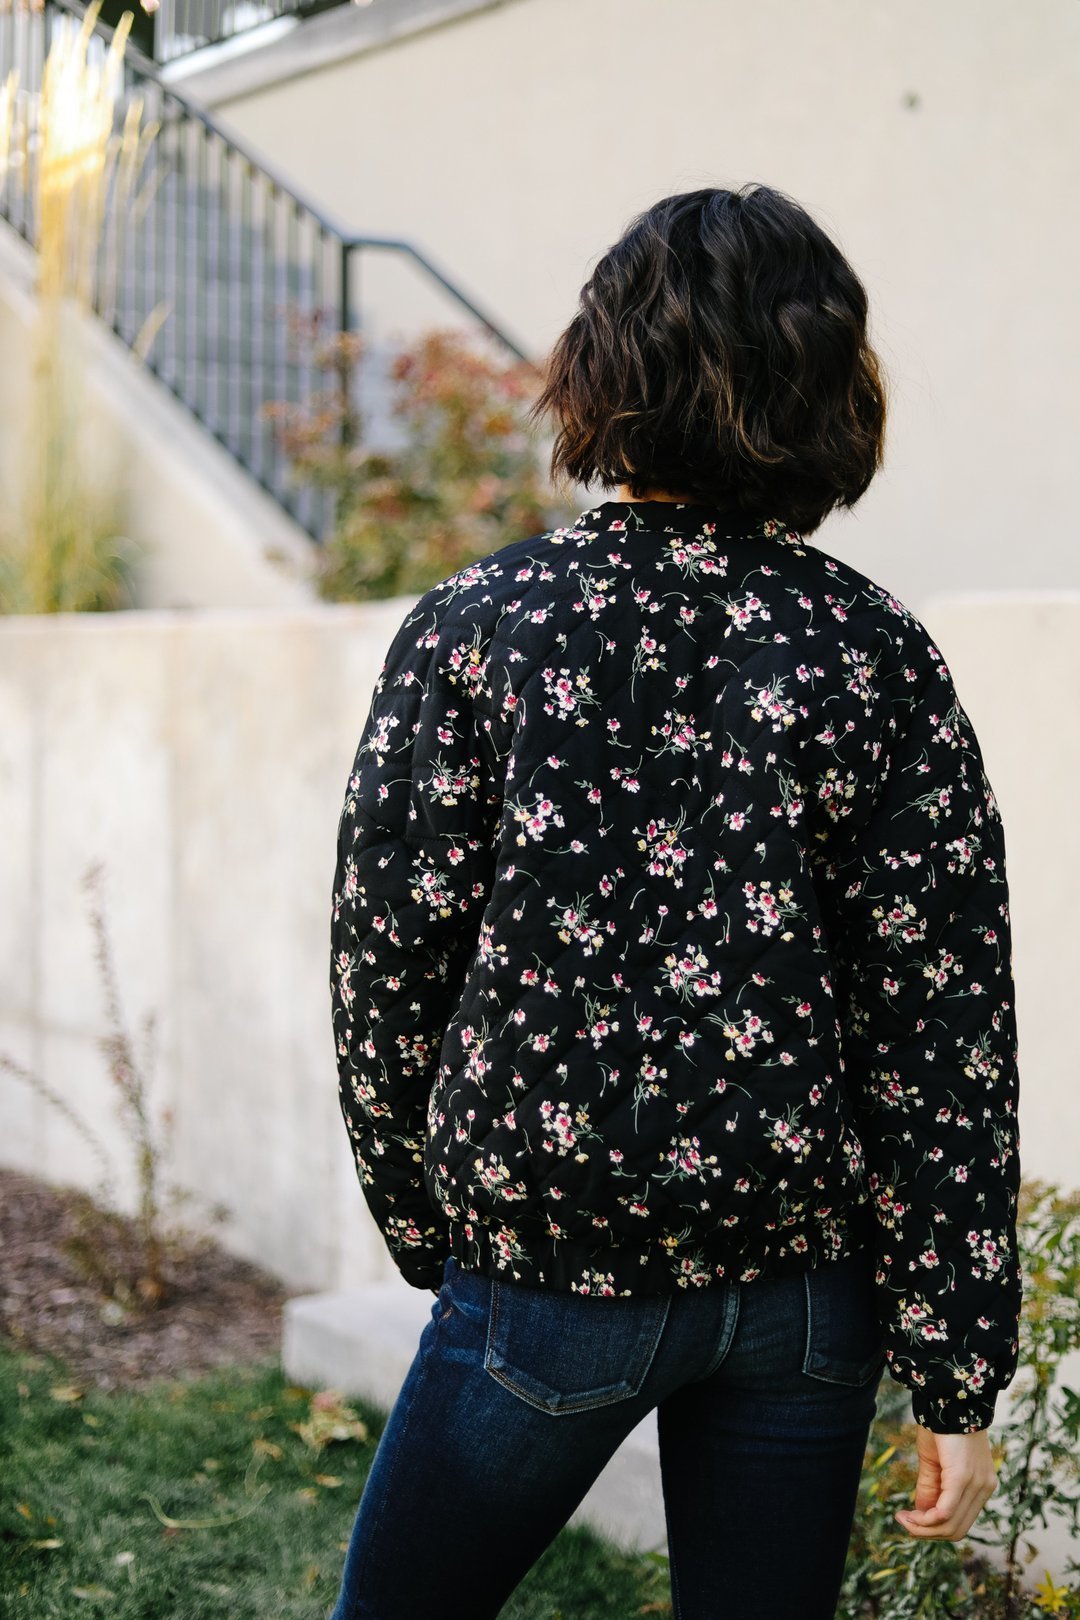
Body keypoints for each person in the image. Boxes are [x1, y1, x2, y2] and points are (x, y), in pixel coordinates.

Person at [327, 182, 1022, 1620]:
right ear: (826, 385)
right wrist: (956, 1367)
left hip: (550, 1277)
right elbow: (943, 1023)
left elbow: (385, 967)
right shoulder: (874, 650)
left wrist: (435, 1227)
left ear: (603, 370)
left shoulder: (480, 627)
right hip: (806, 1297)